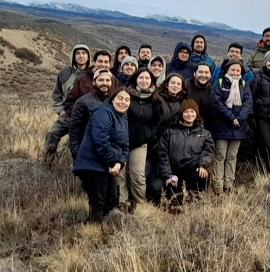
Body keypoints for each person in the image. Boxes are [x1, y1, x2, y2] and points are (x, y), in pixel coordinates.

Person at [72, 88, 130, 223]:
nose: (123, 102)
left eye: (127, 100)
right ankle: (93, 233)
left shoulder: (123, 117)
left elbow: (125, 145)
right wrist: (111, 163)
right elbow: (101, 140)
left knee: (112, 200)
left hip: (108, 165)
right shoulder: (103, 113)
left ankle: (93, 225)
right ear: (113, 99)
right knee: (98, 201)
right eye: (120, 98)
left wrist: (119, 163)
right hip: (93, 164)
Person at [154, 99, 214, 205]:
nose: (189, 114)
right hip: (173, 172)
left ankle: (194, 199)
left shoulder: (205, 133)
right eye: (186, 112)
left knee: (203, 175)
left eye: (192, 111)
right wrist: (168, 175)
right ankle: (174, 200)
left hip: (192, 172)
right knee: (155, 188)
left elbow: (209, 150)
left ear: (197, 114)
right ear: (181, 114)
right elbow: (163, 154)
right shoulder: (170, 131)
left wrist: (203, 165)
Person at [210, 59, 252, 193]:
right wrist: (231, 118)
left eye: (238, 70)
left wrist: (239, 118)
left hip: (238, 127)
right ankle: (218, 184)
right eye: (232, 69)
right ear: (227, 70)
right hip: (222, 125)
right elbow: (217, 103)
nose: (235, 72)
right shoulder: (219, 83)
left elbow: (248, 103)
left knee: (232, 156)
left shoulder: (244, 85)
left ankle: (229, 184)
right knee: (220, 155)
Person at [43, 44, 91, 163]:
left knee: (82, 143)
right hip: (67, 115)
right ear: (74, 56)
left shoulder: (92, 73)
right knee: (52, 134)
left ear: (88, 56)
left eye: (84, 53)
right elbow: (56, 94)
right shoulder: (64, 73)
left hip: (86, 117)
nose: (81, 56)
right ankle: (47, 162)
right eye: (78, 53)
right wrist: (61, 112)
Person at [119, 69, 159, 212]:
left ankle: (139, 203)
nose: (144, 80)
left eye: (147, 78)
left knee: (138, 175)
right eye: (141, 77)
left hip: (140, 142)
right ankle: (122, 203)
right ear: (135, 79)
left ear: (152, 81)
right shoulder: (126, 95)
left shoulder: (154, 99)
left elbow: (157, 121)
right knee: (120, 173)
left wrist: (149, 135)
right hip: (122, 140)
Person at [69, 69, 116, 160]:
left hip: (108, 152)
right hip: (86, 151)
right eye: (101, 80)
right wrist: (75, 152)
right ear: (94, 82)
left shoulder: (115, 101)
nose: (104, 83)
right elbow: (75, 128)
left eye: (107, 80)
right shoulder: (83, 101)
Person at [64, 51, 118, 116]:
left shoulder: (114, 80)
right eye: (100, 61)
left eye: (106, 62)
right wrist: (80, 117)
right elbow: (69, 103)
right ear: (94, 63)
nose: (103, 64)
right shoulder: (81, 80)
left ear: (109, 64)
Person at [154, 73, 187, 141]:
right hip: (155, 137)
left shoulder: (182, 102)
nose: (175, 86)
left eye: (178, 84)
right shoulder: (156, 98)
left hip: (172, 139)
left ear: (181, 88)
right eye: (173, 83)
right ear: (167, 85)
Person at [186, 64, 215, 133]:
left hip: (208, 129)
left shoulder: (215, 89)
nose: (203, 75)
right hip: (188, 128)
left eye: (206, 72)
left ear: (210, 75)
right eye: (200, 72)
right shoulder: (185, 87)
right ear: (194, 73)